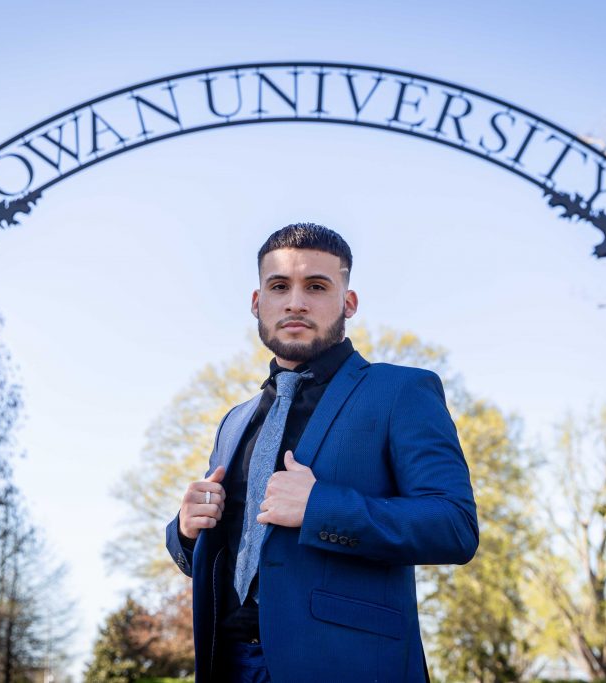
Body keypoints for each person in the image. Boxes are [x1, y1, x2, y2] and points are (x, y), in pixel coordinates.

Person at [165, 223, 478, 682]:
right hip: (228, 663)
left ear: (348, 303)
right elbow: (232, 556)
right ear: (258, 303)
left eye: (316, 286)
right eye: (279, 286)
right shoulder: (235, 420)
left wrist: (321, 508)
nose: (295, 302)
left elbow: (455, 526)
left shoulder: (401, 391)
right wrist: (188, 532)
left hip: (346, 665)